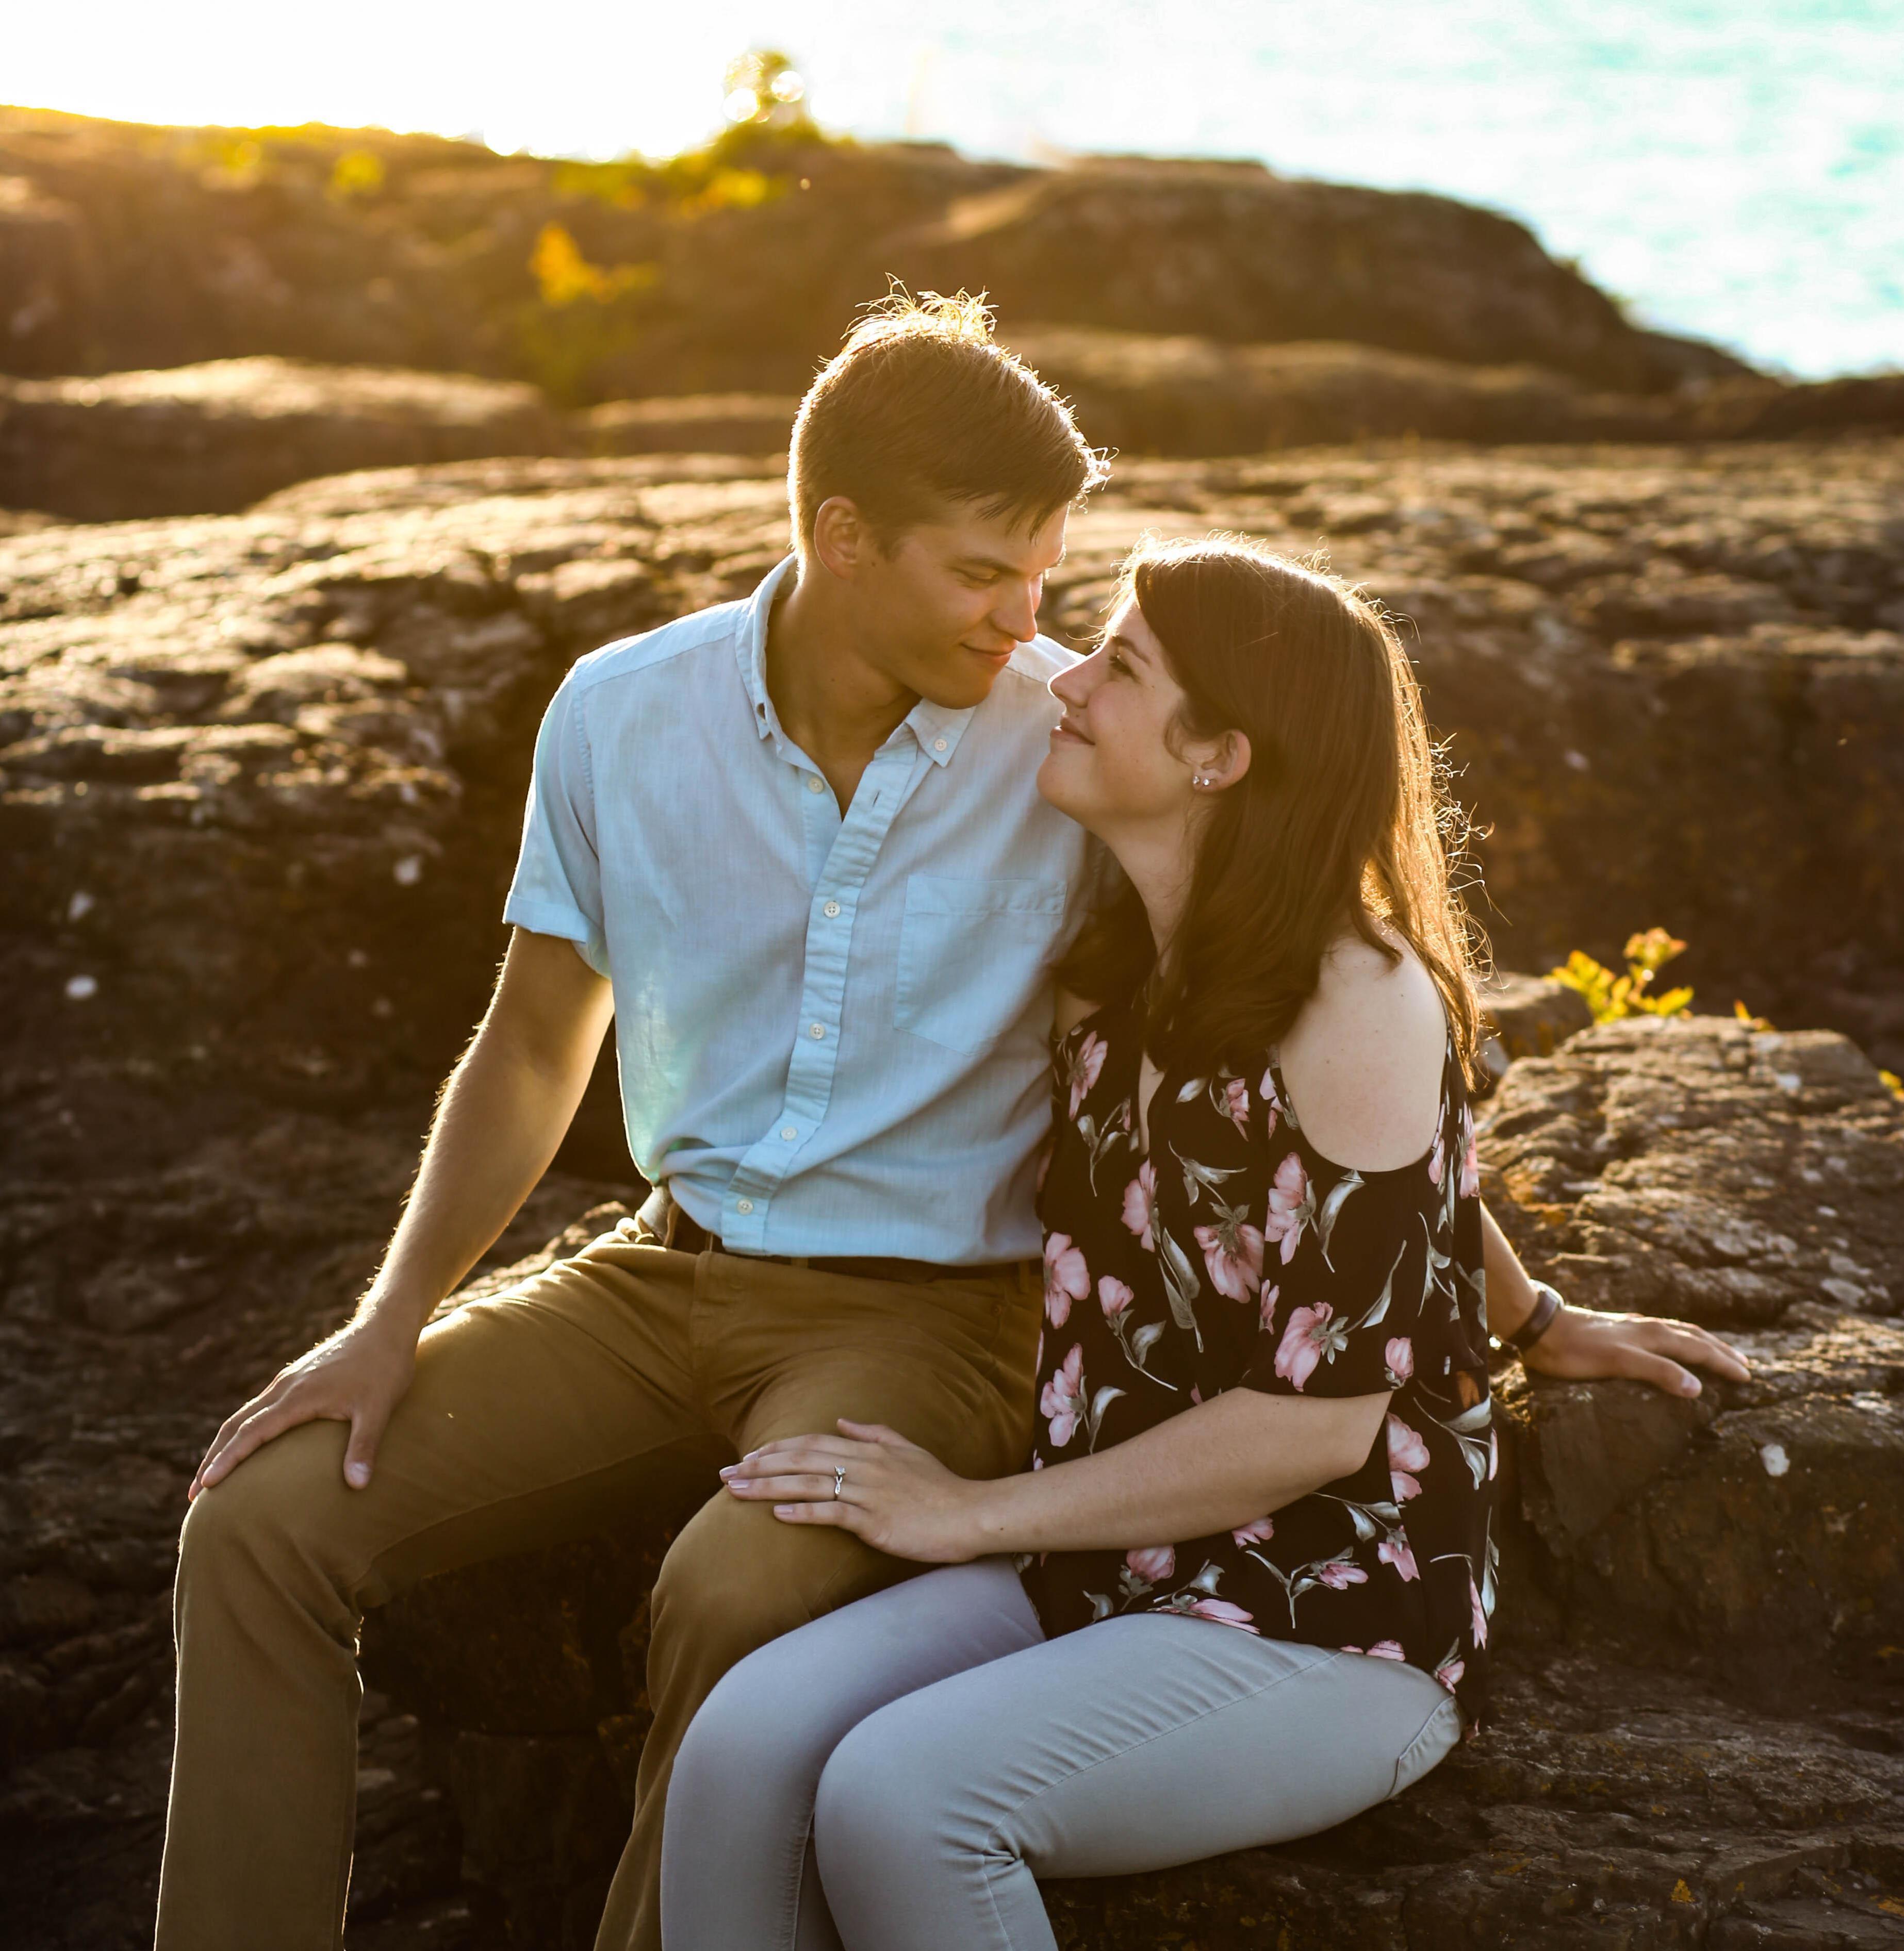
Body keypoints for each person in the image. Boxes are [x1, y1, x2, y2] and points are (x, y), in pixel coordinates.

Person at [160, 297, 1745, 1951]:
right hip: (657, 1270)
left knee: (732, 1596)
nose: (1029, 626)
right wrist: (390, 1323)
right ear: (844, 538)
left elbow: (1336, 1109)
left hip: (931, 1317)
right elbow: (532, 1041)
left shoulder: (1079, 746)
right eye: (985, 575)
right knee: (257, 1522)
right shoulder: (624, 714)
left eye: (1049, 579)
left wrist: (1533, 1318)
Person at [665, 536, 1752, 1951]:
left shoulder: (1356, 999)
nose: (1067, 683)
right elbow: (1405, 1199)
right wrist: (1538, 1317)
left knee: (905, 1800)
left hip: (1331, 1616)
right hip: (1106, 1563)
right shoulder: (1120, 959)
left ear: (1221, 756)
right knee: (742, 1744)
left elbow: (1317, 1422)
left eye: (1120, 665)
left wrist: (963, 1514)